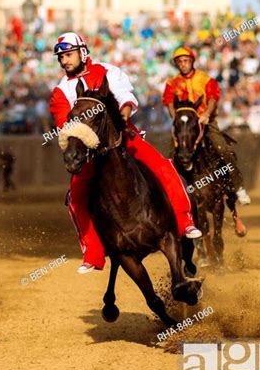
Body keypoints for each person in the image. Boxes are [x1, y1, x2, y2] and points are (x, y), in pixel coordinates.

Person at [49, 32, 202, 274]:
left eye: (68, 55)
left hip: (123, 137)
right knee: (75, 196)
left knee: (163, 166)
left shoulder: (108, 71)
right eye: (61, 58)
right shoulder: (61, 91)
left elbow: (125, 99)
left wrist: (121, 120)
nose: (65, 61)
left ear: (82, 52)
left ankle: (185, 222)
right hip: (90, 151)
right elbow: (63, 124)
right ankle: (93, 253)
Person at [163, 46, 251, 205]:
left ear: (191, 62)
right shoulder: (172, 83)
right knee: (170, 156)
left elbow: (212, 99)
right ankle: (173, 196)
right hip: (183, 126)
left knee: (223, 149)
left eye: (185, 61)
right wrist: (175, 117)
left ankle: (238, 188)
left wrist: (206, 114)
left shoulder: (206, 79)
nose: (183, 64)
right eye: (179, 62)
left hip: (206, 122)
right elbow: (169, 102)